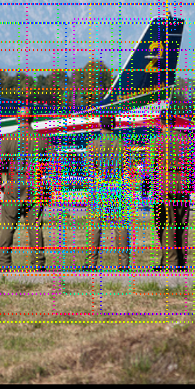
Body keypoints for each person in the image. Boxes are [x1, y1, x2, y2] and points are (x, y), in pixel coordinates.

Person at [0, 106, 56, 272]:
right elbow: (54, 163)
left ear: (17, 118)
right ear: (32, 119)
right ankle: (38, 263)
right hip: (35, 185)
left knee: (8, 224)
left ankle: (3, 262)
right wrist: (47, 185)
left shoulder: (8, 138)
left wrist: (0, 183)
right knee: (34, 226)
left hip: (14, 184)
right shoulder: (42, 139)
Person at [79, 114, 132, 272]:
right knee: (121, 226)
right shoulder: (123, 145)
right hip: (118, 188)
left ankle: (91, 263)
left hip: (99, 188)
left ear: (100, 125)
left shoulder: (93, 145)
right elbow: (128, 169)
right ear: (114, 125)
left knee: (95, 226)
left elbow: (89, 170)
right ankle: (123, 264)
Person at [147, 110, 192, 271]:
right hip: (183, 184)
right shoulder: (186, 140)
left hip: (164, 184)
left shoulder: (157, 140)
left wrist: (145, 187)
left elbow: (149, 167)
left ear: (161, 122)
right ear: (174, 121)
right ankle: (180, 261)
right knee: (182, 224)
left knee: (167, 223)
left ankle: (171, 262)